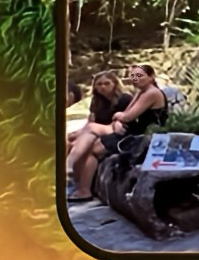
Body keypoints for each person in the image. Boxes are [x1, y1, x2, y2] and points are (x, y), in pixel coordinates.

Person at [67, 65, 169, 202]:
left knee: (92, 147)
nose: (135, 79)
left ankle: (82, 187)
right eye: (133, 76)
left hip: (142, 137)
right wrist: (120, 116)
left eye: (139, 76)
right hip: (133, 132)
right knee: (88, 138)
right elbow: (125, 115)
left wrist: (119, 117)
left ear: (151, 77)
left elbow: (127, 117)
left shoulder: (151, 93)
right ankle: (80, 185)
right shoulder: (141, 93)